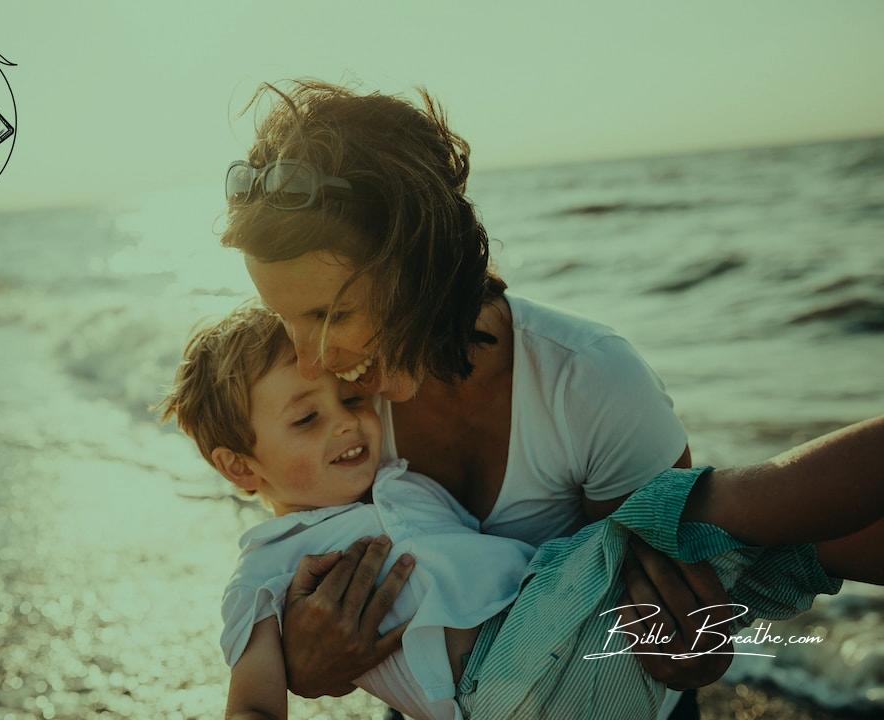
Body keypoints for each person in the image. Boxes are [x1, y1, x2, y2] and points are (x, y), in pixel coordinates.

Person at [220, 78, 737, 717]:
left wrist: (700, 651)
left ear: (421, 263)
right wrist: (305, 664)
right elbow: (304, 559)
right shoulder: (337, 406)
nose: (309, 359)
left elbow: (681, 603)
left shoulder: (590, 382)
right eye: (284, 320)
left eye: (331, 313)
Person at [158, 305, 883, 720]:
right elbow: (253, 703)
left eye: (350, 400)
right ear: (239, 467)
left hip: (580, 663)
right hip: (501, 681)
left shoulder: (402, 485)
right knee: (694, 512)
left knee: (797, 551)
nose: (348, 424)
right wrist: (302, 669)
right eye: (306, 420)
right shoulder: (267, 564)